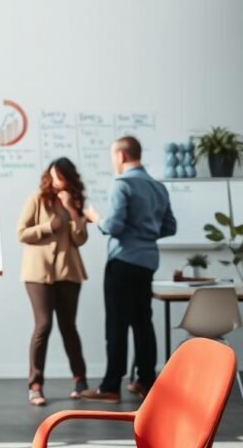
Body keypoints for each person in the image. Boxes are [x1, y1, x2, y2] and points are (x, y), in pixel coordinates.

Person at [82, 136, 176, 402]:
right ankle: (146, 381)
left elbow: (113, 226)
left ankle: (111, 386)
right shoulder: (158, 187)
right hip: (147, 262)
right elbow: (170, 227)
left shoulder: (123, 184)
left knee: (117, 325)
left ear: (121, 156)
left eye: (113, 155)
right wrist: (145, 232)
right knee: (143, 323)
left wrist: (95, 218)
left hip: (122, 262)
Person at [16, 157, 90, 407]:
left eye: (61, 177)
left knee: (69, 327)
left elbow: (80, 239)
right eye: (53, 176)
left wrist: (71, 210)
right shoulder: (37, 198)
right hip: (38, 273)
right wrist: (47, 227)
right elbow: (21, 233)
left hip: (68, 272)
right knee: (43, 325)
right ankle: (35, 385)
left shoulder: (75, 201)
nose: (57, 182)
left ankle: (81, 381)